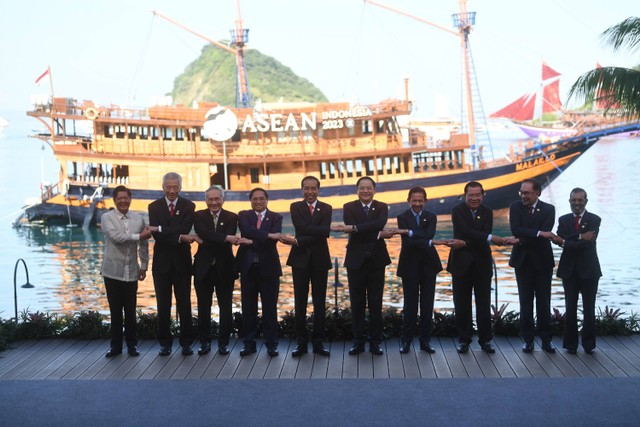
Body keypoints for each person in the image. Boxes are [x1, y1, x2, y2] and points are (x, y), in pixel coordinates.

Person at [446, 181, 506, 354]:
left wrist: (465, 242)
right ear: (465, 195)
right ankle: (464, 340)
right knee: (461, 304)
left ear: (483, 195)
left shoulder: (487, 212)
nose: (474, 198)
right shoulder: (457, 211)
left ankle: (485, 340)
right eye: (470, 195)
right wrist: (488, 237)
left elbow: (475, 236)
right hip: (461, 264)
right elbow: (464, 230)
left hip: (482, 264)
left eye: (477, 195)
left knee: (483, 304)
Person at [337, 176, 393, 356]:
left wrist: (355, 228)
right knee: (357, 303)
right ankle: (358, 342)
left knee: (376, 303)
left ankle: (376, 342)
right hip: (355, 261)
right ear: (357, 190)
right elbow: (374, 228)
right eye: (362, 188)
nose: (366, 191)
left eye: (369, 188)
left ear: (374, 190)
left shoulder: (382, 206)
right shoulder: (348, 207)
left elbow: (379, 224)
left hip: (377, 260)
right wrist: (378, 234)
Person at [148, 172, 197, 356]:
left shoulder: (188, 205)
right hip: (161, 264)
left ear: (180, 187)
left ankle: (186, 343)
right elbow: (157, 236)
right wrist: (179, 237)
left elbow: (184, 228)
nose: (172, 191)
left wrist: (161, 229)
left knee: (184, 304)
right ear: (163, 187)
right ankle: (165, 343)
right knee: (163, 304)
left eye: (175, 187)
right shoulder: (154, 206)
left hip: (182, 263)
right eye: (168, 187)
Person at [236, 188, 289, 357]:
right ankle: (249, 344)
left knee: (269, 308)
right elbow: (247, 230)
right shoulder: (244, 215)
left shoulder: (276, 217)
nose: (258, 201)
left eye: (261, 199)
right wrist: (268, 236)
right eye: (255, 199)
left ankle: (271, 344)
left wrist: (251, 241)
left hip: (269, 269)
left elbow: (269, 244)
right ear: (250, 200)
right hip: (248, 268)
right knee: (248, 307)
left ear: (267, 200)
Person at [101, 185, 151, 358]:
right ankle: (115, 347)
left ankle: (132, 345)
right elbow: (117, 238)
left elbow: (144, 244)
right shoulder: (107, 217)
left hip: (131, 270)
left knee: (130, 311)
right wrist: (139, 236)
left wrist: (144, 265)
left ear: (130, 199)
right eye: (119, 198)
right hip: (112, 272)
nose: (123, 201)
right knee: (115, 311)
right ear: (114, 200)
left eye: (126, 197)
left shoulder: (139, 218)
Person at [551, 188, 601, 355]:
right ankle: (570, 344)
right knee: (570, 308)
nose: (577, 203)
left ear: (586, 201)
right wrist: (579, 237)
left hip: (589, 270)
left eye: (580, 200)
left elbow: (586, 243)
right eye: (574, 200)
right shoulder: (563, 219)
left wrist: (566, 241)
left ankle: (589, 345)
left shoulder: (594, 219)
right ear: (570, 201)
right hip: (569, 271)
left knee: (589, 308)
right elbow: (558, 239)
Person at [509, 178, 556, 353]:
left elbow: (546, 230)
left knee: (544, 302)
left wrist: (523, 238)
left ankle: (546, 340)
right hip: (522, 262)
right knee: (525, 302)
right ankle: (528, 340)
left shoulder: (549, 209)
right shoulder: (515, 207)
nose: (523, 196)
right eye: (522, 192)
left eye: (527, 192)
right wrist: (537, 233)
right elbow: (516, 229)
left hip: (543, 262)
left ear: (537, 193)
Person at [286, 176, 332, 357]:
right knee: (300, 302)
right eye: (307, 188)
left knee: (320, 303)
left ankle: (318, 343)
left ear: (318, 190)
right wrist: (320, 231)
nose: (310, 192)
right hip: (300, 261)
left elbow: (322, 232)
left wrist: (298, 241)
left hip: (320, 260)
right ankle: (301, 343)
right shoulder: (295, 207)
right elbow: (303, 227)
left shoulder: (326, 208)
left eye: (314, 188)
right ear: (302, 189)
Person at [395, 186, 444, 354]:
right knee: (410, 305)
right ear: (408, 200)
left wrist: (409, 232)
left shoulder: (431, 216)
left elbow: (428, 234)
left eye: (420, 200)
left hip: (429, 265)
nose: (417, 203)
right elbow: (409, 243)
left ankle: (425, 341)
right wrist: (425, 240)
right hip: (409, 265)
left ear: (425, 201)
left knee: (427, 304)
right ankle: (406, 341)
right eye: (414, 200)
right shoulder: (402, 217)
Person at [193, 185, 239, 356]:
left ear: (223, 199)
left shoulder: (232, 217)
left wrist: (205, 240)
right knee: (203, 307)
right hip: (203, 268)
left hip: (225, 267)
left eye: (217, 198)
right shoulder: (198, 216)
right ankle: (204, 342)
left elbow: (207, 236)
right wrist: (226, 238)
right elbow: (203, 232)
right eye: (210, 199)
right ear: (206, 200)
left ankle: (223, 343)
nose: (214, 202)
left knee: (225, 307)